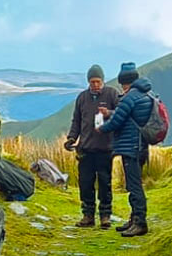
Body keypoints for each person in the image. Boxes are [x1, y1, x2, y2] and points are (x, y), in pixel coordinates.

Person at [97, 62, 153, 237]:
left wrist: (101, 127)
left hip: (131, 146)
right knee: (135, 184)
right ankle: (134, 219)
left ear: (125, 82)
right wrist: (111, 113)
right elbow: (127, 115)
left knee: (134, 186)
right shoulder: (147, 94)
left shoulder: (130, 97)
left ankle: (140, 222)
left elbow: (117, 122)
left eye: (122, 83)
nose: (122, 87)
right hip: (142, 145)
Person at [64, 64, 119, 229]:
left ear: (103, 80)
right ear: (88, 81)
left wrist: (109, 113)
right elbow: (77, 121)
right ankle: (88, 215)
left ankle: (105, 216)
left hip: (105, 149)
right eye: (92, 81)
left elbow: (121, 114)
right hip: (85, 148)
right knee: (85, 183)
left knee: (105, 183)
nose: (95, 84)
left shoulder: (112, 94)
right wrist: (72, 138)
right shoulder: (82, 98)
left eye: (98, 81)